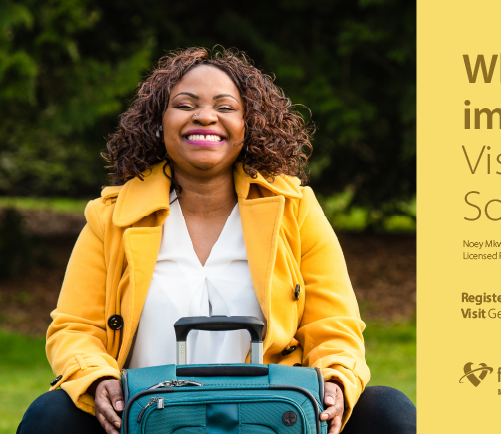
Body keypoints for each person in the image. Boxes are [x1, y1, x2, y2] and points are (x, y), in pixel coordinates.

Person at [17, 47, 416, 434]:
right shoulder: (111, 217)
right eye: (186, 105)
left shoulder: (295, 209)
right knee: (52, 415)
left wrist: (335, 381)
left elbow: (335, 326)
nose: (205, 117)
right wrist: (96, 379)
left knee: (388, 410)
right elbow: (75, 328)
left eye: (225, 107)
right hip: (147, 418)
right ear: (159, 122)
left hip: (270, 418)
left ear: (249, 125)